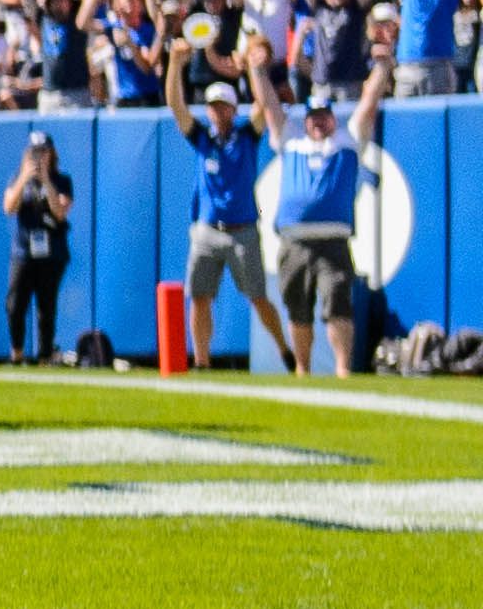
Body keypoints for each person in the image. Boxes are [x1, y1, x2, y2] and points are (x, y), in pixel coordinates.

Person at [252, 50, 393, 377]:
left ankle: (343, 369)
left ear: (332, 117)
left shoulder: (346, 141)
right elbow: (271, 109)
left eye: (323, 116)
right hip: (294, 241)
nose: (317, 121)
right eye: (312, 116)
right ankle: (302, 369)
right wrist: (257, 71)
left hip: (333, 240)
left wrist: (383, 67)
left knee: (338, 304)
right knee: (298, 308)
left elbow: (369, 102)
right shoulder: (292, 140)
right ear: (306, 119)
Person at [163, 49, 292, 371]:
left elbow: (263, 108)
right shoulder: (204, 139)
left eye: (223, 107)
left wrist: (250, 68)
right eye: (213, 107)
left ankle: (284, 350)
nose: (217, 113)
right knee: (201, 297)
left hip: (242, 231)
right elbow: (176, 107)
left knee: (258, 298)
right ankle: (202, 361)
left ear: (233, 110)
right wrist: (175, 65)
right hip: (207, 230)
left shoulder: (246, 136)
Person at [0, 131, 74, 365]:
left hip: (52, 252)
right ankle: (17, 353)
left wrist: (46, 180)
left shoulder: (61, 180)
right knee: (15, 304)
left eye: (44, 152)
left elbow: (60, 212)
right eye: (35, 152)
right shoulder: (18, 178)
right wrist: (25, 177)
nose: (39, 157)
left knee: (46, 305)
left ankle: (44, 355)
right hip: (23, 250)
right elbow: (9, 207)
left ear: (51, 153)